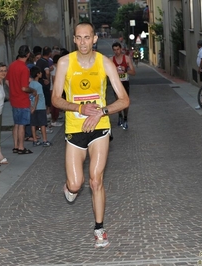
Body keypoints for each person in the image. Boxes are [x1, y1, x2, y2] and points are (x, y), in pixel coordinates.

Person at [52, 22, 129, 248]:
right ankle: (70, 188)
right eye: (79, 38)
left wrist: (102, 112)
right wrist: (80, 109)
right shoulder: (65, 62)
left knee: (96, 180)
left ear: (95, 39)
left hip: (100, 127)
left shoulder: (105, 63)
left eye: (88, 37)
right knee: (77, 184)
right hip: (75, 128)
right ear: (74, 40)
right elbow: (56, 99)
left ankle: (99, 229)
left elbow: (124, 100)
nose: (84, 42)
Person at [6, 45, 37, 155]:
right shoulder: (24, 68)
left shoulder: (12, 65)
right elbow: (24, 88)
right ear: (28, 54)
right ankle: (21, 147)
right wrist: (32, 90)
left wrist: (13, 89)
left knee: (16, 124)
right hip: (22, 99)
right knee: (22, 125)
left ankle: (15, 146)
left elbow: (7, 81)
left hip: (13, 98)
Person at [111, 42, 136, 129]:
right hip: (116, 83)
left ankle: (125, 117)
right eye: (114, 50)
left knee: (126, 101)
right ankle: (120, 115)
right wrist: (114, 72)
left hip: (125, 82)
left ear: (121, 49)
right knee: (118, 100)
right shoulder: (111, 60)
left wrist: (125, 70)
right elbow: (107, 73)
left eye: (118, 49)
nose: (116, 51)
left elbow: (133, 72)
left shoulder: (127, 59)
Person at [29, 66, 51, 147]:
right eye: (40, 72)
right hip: (40, 107)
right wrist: (35, 106)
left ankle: (35, 140)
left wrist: (31, 106)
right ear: (38, 74)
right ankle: (45, 140)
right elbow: (37, 96)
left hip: (32, 107)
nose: (42, 74)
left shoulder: (30, 84)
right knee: (42, 124)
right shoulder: (38, 85)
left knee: (33, 124)